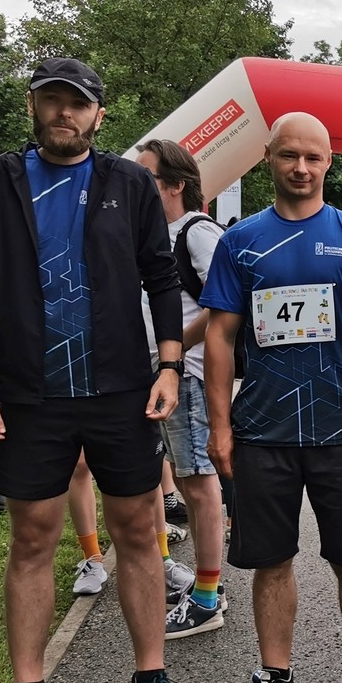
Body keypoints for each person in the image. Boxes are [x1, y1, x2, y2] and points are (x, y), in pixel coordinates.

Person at [0, 57, 196, 683]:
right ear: (33, 106)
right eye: (52, 100)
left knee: (139, 530)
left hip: (120, 390)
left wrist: (169, 367)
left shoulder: (128, 183)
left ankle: (150, 678)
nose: (65, 112)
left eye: (77, 103)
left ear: (98, 113)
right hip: (29, 393)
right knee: (32, 537)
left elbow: (161, 278)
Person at [200, 112, 342, 683]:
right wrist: (219, 426)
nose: (301, 168)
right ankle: (275, 677)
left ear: (329, 161)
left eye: (313, 157)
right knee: (271, 561)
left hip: (341, 429)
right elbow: (219, 336)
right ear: (268, 158)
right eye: (289, 155)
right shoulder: (239, 241)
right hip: (263, 430)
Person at [137, 138, 229, 639]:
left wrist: (172, 355)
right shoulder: (152, 234)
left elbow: (224, 303)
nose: (136, 184)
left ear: (174, 184)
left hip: (187, 374)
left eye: (146, 176)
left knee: (198, 483)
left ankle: (208, 598)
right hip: (159, 374)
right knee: (178, 479)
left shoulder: (196, 231)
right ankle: (192, 583)